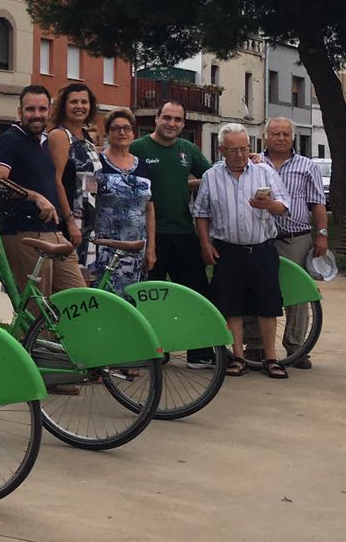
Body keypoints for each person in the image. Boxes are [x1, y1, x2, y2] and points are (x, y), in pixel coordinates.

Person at [192, 124, 291, 378]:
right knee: (231, 305)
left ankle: (271, 357)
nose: (239, 155)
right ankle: (238, 356)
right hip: (227, 250)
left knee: (267, 305)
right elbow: (201, 213)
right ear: (221, 149)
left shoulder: (264, 172)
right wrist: (205, 244)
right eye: (233, 150)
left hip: (261, 248)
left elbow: (284, 206)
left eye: (244, 149)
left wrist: (269, 204)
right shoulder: (211, 176)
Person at [131, 101, 213, 364]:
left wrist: (250, 160)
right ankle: (154, 352)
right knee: (150, 298)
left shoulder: (187, 149)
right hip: (149, 236)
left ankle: (199, 353)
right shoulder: (139, 148)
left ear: (183, 124)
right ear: (156, 119)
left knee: (195, 293)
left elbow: (213, 176)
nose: (172, 123)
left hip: (183, 232)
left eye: (178, 119)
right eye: (167, 117)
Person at [0, 84, 82, 298]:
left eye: (42, 109)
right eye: (30, 110)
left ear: (49, 111)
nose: (36, 115)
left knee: (78, 300)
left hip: (53, 232)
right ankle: (31, 334)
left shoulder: (45, 142)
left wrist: (67, 221)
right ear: (20, 112)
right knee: (37, 305)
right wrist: (35, 197)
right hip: (23, 233)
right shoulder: (10, 140)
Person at [257, 117, 328, 369]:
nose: (281, 138)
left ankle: (296, 348)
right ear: (265, 136)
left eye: (286, 134)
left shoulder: (307, 166)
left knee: (296, 295)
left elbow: (318, 203)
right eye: (275, 133)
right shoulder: (254, 162)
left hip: (295, 238)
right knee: (258, 292)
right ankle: (255, 347)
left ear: (293, 137)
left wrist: (321, 234)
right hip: (261, 240)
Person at [89, 108, 155, 291]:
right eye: (116, 128)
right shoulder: (97, 163)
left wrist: (151, 248)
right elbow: (87, 202)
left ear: (133, 133)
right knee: (104, 298)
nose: (122, 132)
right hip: (104, 248)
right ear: (107, 133)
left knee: (132, 299)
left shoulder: (142, 165)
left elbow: (149, 209)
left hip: (136, 249)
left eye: (127, 128)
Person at [47, 82, 100, 278]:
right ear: (64, 106)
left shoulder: (86, 137)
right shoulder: (60, 136)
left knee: (86, 279)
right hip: (71, 221)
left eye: (84, 102)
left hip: (89, 221)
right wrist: (69, 221)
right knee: (71, 281)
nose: (80, 106)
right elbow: (56, 181)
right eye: (74, 102)